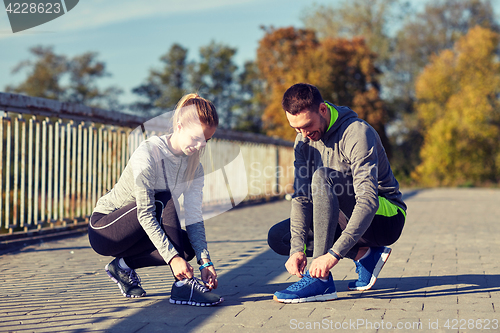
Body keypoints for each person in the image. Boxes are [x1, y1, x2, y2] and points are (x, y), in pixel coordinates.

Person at [268, 83, 406, 303]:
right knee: (280, 237)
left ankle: (320, 281)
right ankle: (366, 256)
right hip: (345, 215)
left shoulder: (356, 132)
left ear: (323, 109)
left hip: (385, 217)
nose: (304, 134)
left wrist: (331, 256)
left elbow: (368, 201)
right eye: (296, 129)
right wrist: (297, 249)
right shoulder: (303, 142)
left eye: (307, 125)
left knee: (324, 177)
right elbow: (302, 198)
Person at [88, 93, 223, 306]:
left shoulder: (195, 167)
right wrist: (172, 258)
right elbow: (145, 213)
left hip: (138, 234)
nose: (201, 146)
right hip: (106, 229)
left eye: (206, 140)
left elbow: (194, 216)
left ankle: (122, 266)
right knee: (164, 197)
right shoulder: (149, 153)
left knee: (186, 248)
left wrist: (205, 261)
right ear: (179, 126)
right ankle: (182, 287)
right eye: (196, 138)